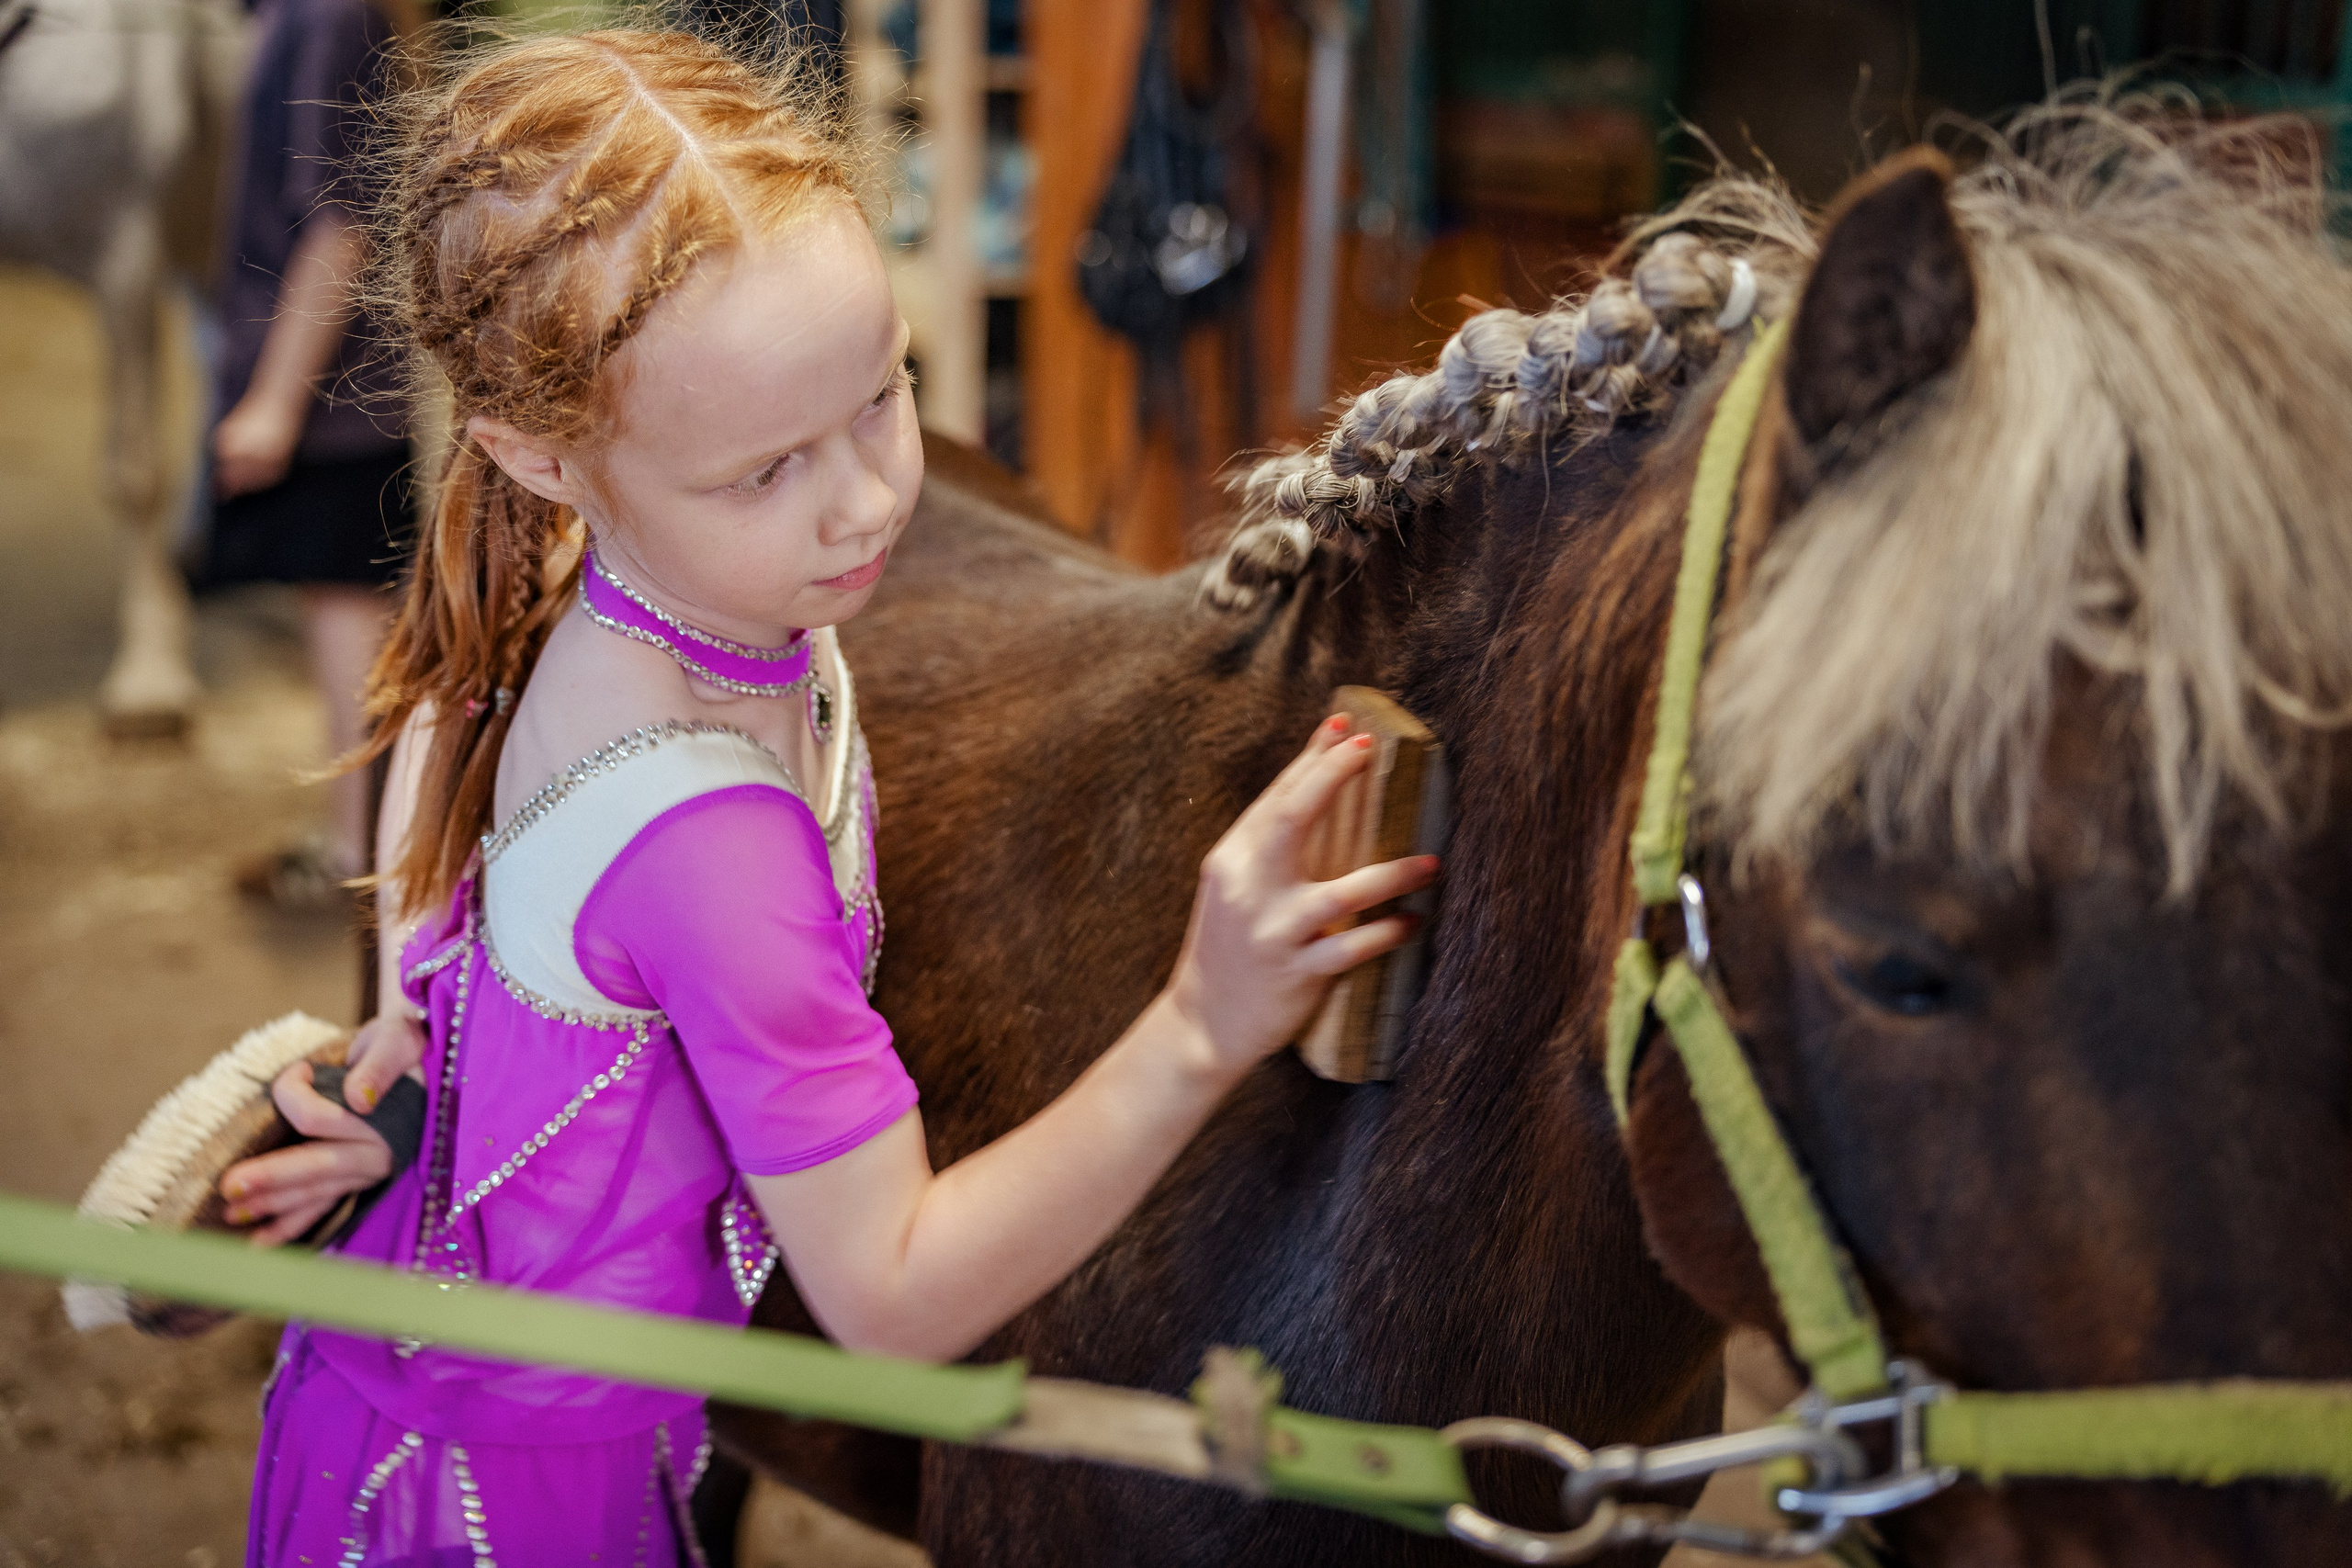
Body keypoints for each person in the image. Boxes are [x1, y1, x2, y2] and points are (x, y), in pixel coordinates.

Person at [212, 28, 1437, 1564]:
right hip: (513, 1505)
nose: (864, 501)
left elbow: (442, 714)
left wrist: (414, 1003)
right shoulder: (708, 851)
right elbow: (898, 1295)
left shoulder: (585, 566)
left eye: (882, 396)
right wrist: (1204, 1016)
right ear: (537, 453)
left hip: (465, 1391)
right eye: (762, 471)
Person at [202, 0, 413, 906]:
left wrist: (278, 403)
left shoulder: (331, 17)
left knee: (350, 625)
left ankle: (367, 857)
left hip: (338, 398)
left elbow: (343, 224)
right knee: (342, 621)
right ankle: (358, 840)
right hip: (329, 391)